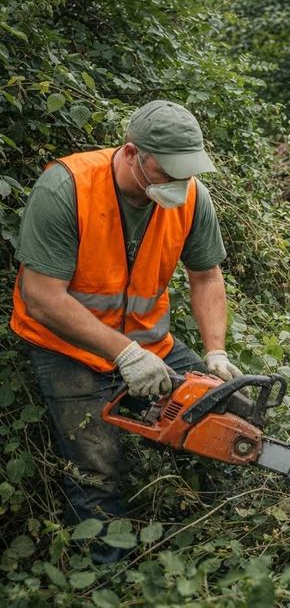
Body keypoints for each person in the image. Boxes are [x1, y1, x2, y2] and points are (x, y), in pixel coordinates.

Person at [10, 100, 242, 562]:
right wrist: (125, 354)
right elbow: (42, 296)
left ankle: (218, 537)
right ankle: (105, 573)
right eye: (168, 171)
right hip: (66, 346)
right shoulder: (67, 187)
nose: (179, 183)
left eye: (187, 172)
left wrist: (215, 352)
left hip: (150, 341)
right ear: (133, 153)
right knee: (98, 466)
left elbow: (206, 276)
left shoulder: (191, 197)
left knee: (223, 417)